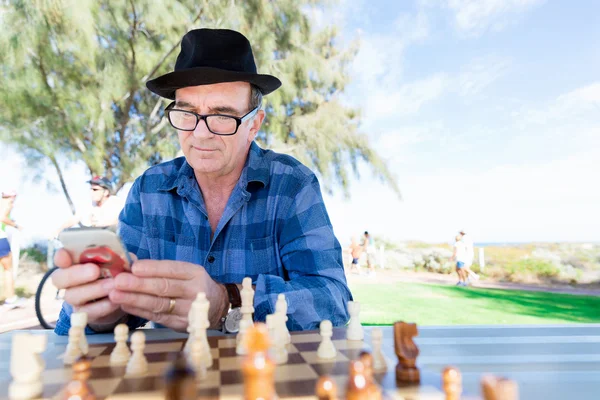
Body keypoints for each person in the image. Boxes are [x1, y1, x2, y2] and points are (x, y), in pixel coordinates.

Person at [52, 28, 352, 335]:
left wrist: (228, 303)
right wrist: (106, 311)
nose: (201, 133)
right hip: (175, 377)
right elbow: (113, 311)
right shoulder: (148, 190)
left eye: (222, 115)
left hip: (267, 375)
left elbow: (332, 298)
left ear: (254, 125)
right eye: (187, 112)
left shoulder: (292, 186)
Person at [51, 176, 124, 238]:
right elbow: (74, 219)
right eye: (91, 189)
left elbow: (119, 220)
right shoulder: (89, 205)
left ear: (106, 192)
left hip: (115, 240)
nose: (91, 192)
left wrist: (101, 223)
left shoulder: (115, 202)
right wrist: (59, 230)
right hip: (96, 240)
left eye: (95, 190)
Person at [1, 190, 23, 306]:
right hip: (1, 239)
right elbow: (2, 218)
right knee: (8, 270)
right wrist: (16, 225)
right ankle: (11, 298)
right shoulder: (8, 204)